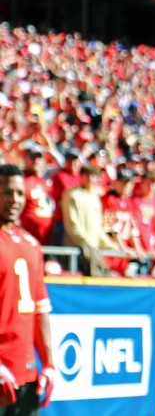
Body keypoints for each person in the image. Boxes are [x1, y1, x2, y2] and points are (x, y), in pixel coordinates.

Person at [0, 164, 56, 416]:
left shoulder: (32, 245)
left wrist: (49, 363)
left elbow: (40, 310)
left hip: (26, 374)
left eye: (20, 193)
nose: (15, 200)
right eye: (7, 192)